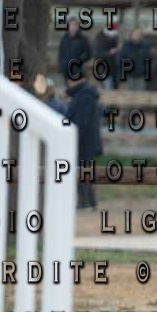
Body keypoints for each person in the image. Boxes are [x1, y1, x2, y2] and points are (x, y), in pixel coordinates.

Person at [64, 65, 103, 210]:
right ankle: (90, 202)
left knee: (82, 172)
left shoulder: (83, 97)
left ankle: (84, 202)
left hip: (84, 142)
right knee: (85, 171)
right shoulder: (84, 95)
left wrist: (73, 139)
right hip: (87, 141)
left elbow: (81, 123)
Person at [92, 25, 121, 90]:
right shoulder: (99, 40)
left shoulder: (114, 39)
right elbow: (96, 54)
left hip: (112, 68)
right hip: (103, 68)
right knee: (108, 87)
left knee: (112, 87)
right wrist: (109, 53)